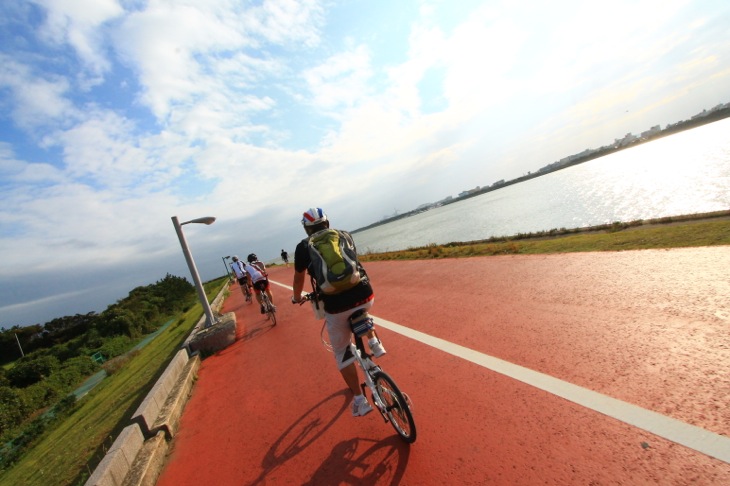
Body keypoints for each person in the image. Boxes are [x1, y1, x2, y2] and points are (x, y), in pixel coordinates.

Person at [291, 207, 386, 417]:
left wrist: (297, 297)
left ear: (306, 228)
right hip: (364, 294)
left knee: (342, 353)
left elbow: (299, 278)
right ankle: (374, 342)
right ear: (327, 222)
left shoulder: (303, 247)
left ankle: (360, 401)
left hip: (336, 305)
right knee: (361, 309)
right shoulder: (344, 234)